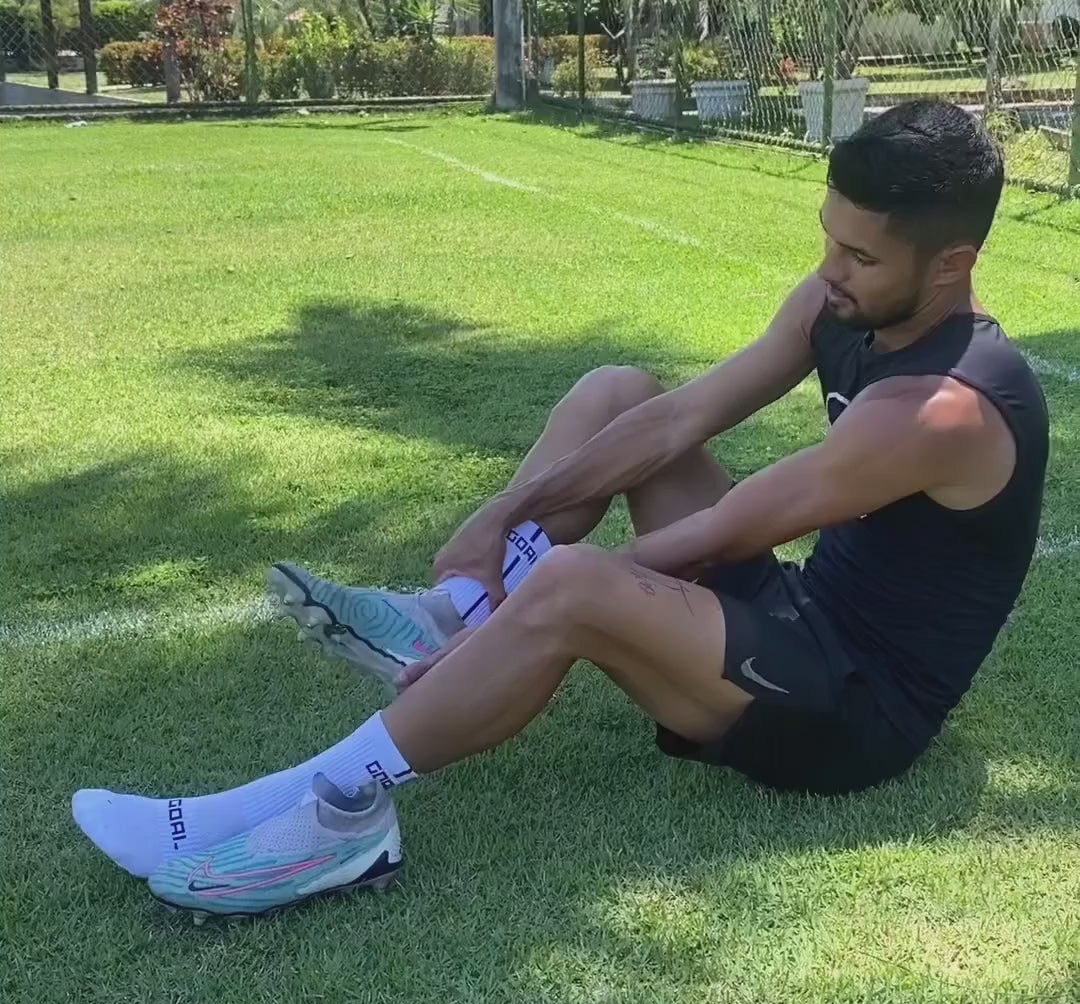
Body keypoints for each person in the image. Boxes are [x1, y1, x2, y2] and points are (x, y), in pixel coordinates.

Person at [73, 100, 1048, 918]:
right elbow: (680, 419)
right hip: (798, 621)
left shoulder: (942, 410)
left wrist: (538, 590)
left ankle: (327, 814)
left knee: (574, 586)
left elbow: (728, 528)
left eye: (860, 256)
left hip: (852, 711)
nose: (831, 269)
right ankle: (456, 609)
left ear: (949, 266)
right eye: (829, 237)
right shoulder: (839, 300)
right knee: (616, 393)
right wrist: (507, 515)